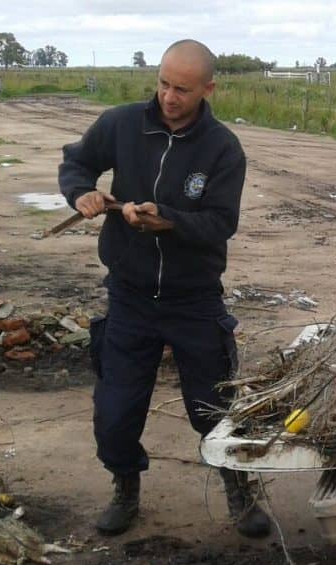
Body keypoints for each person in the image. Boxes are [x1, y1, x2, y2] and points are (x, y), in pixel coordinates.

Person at [58, 40, 269, 538]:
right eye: (164, 83)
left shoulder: (222, 148)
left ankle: (239, 491)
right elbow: (76, 163)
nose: (169, 97)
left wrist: (166, 221)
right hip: (129, 298)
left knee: (213, 407)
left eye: (183, 89)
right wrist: (82, 192)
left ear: (208, 89)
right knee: (115, 411)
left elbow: (221, 222)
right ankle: (125, 488)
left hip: (194, 300)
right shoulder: (122, 123)